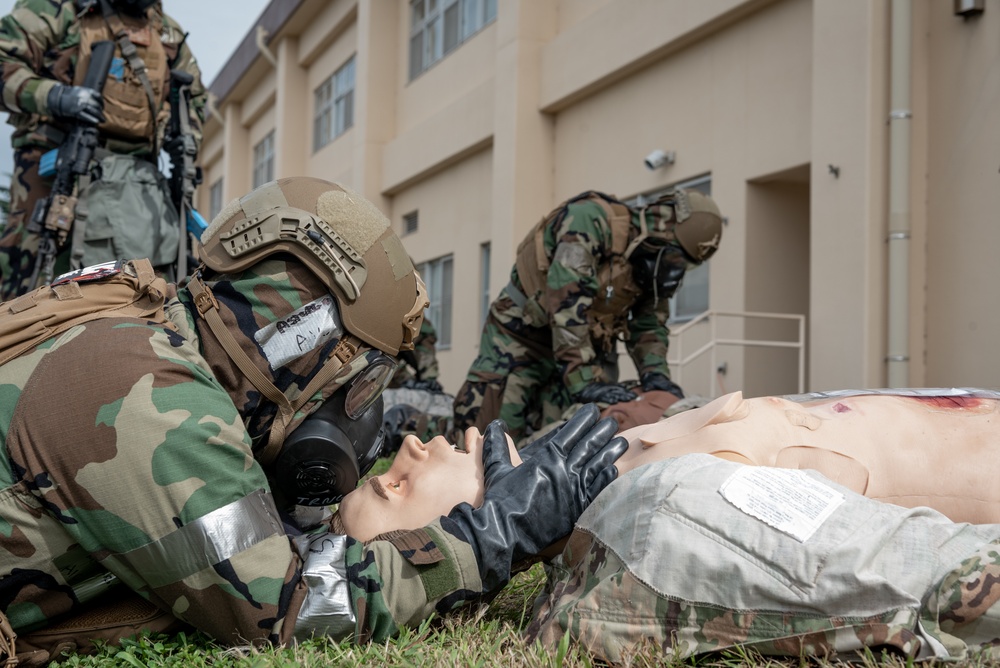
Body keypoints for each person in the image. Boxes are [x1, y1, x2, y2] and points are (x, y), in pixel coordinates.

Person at [0, 177, 627, 665]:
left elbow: (247, 527)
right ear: (306, 339)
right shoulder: (150, 395)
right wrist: (493, 536)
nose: (359, 407)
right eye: (358, 378)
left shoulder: (148, 335)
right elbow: (291, 606)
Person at [334, 387, 1000, 663]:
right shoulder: (652, 517)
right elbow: (953, 582)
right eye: (390, 489)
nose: (411, 449)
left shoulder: (586, 470)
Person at [452, 188, 724, 444]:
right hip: (522, 337)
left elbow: (649, 324)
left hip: (583, 348)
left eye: (685, 267)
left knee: (564, 437)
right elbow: (567, 302)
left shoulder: (652, 265)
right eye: (675, 260)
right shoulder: (589, 219)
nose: (674, 271)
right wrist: (585, 381)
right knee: (486, 437)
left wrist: (656, 376)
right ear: (660, 232)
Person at [0, 0, 206, 300]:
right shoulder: (61, 10)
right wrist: (56, 96)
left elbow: (195, 99)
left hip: (139, 183)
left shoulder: (165, 31)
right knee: (28, 280)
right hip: (56, 165)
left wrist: (182, 136)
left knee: (154, 282)